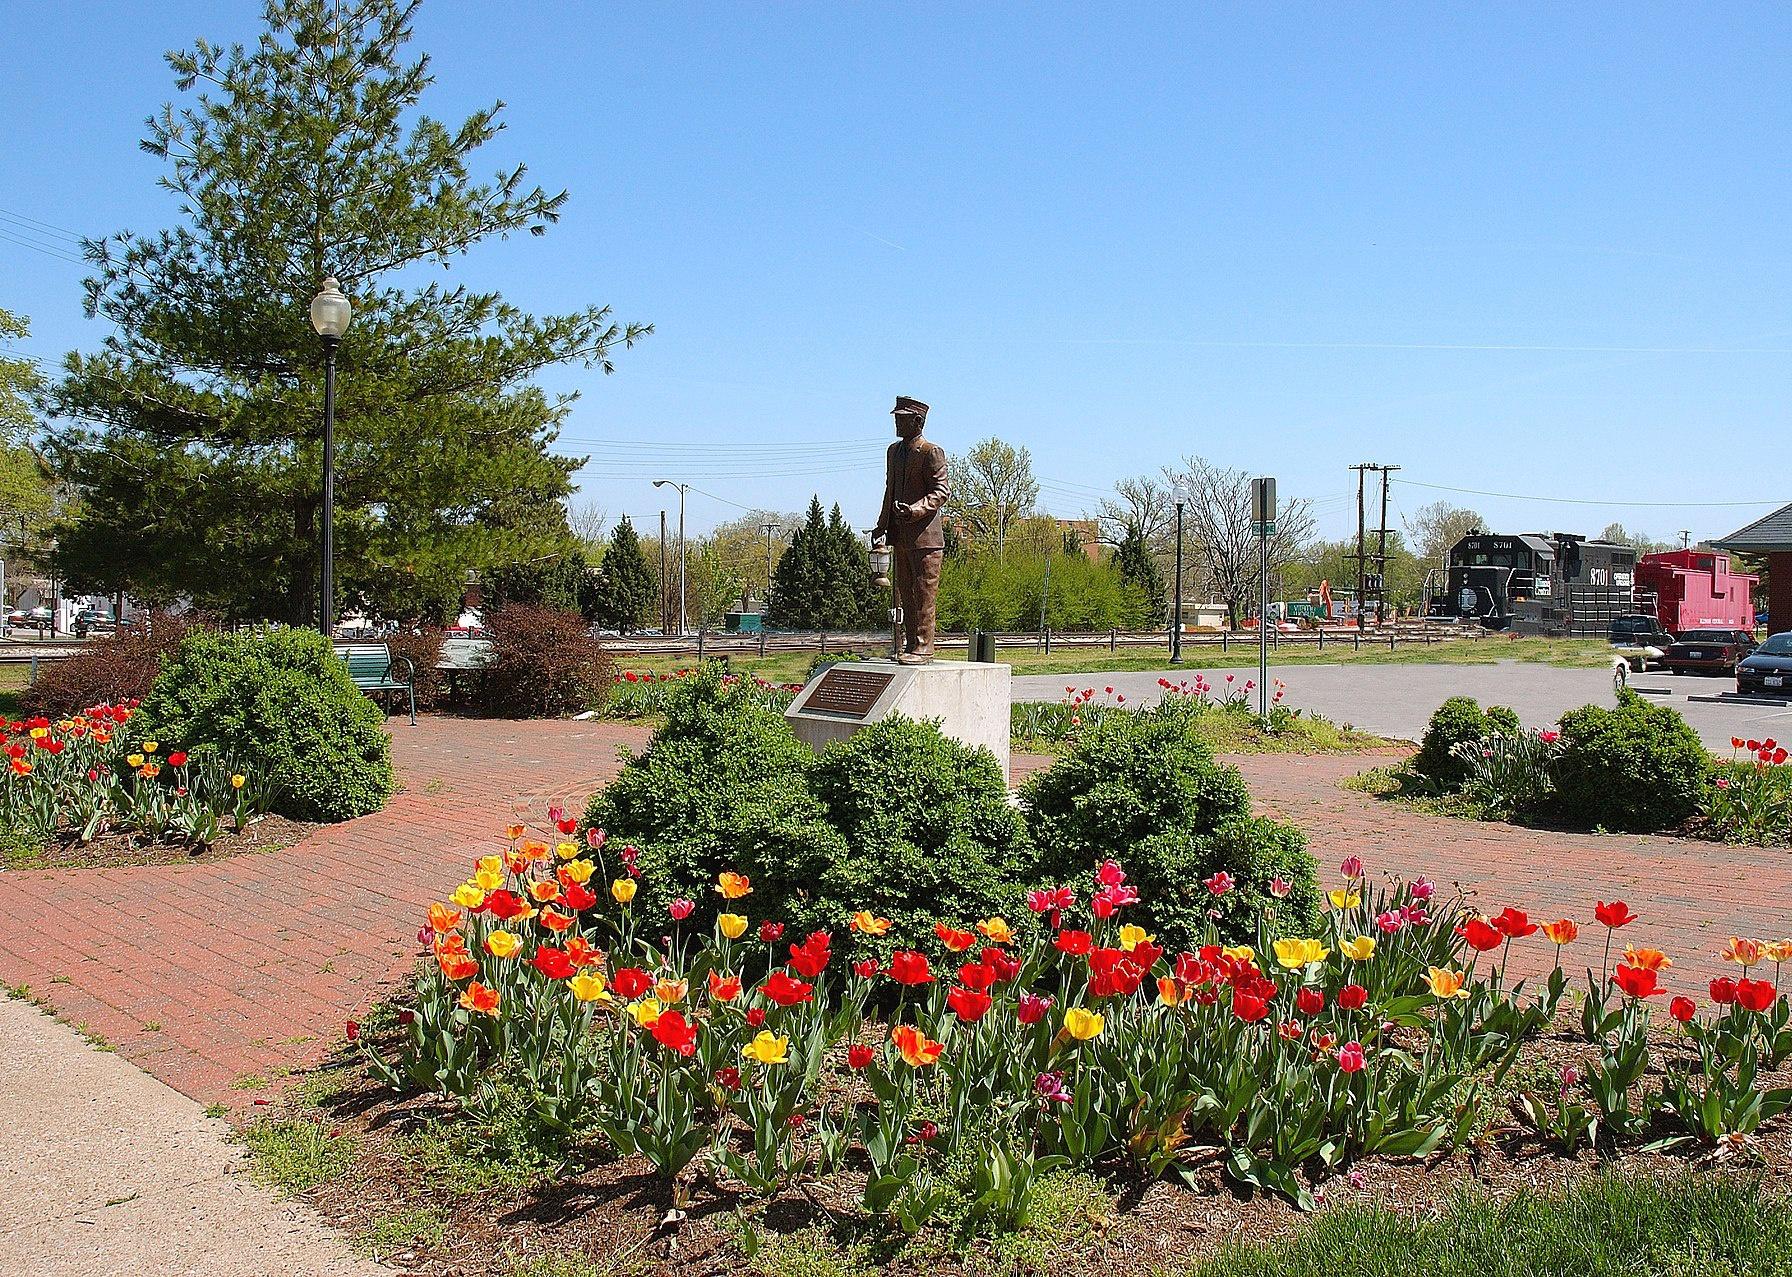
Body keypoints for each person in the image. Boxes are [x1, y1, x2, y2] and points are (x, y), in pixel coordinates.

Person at [871, 396, 950, 664]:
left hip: (926, 539)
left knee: (923, 593)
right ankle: (908, 644)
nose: (896, 422)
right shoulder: (893, 452)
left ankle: (924, 646)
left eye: (901, 418)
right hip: (900, 537)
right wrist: (882, 524)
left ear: (917, 421)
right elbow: (889, 490)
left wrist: (915, 509)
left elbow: (941, 491)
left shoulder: (931, 452)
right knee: (905, 591)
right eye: (896, 417)